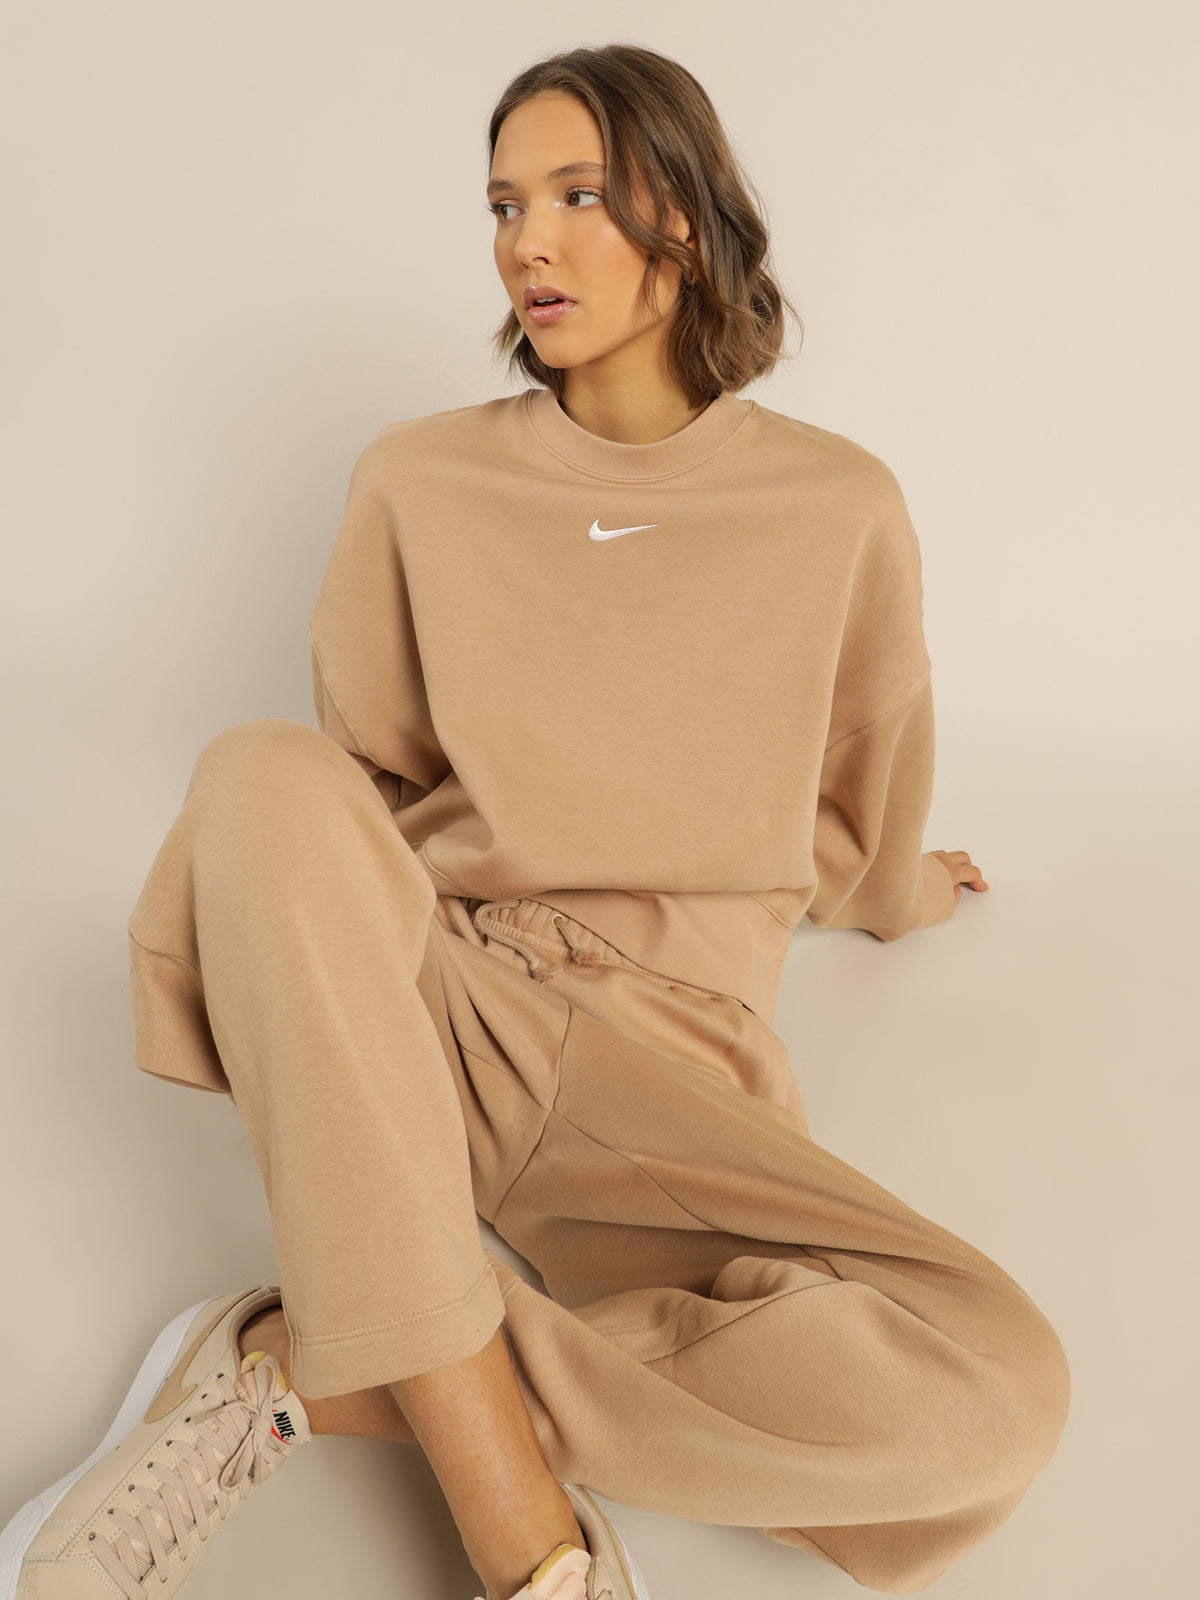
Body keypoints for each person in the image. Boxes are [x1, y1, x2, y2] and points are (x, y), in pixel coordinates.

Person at [0, 41, 1070, 1600]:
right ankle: (525, 1536)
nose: (528, 244)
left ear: (684, 219)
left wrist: (902, 888)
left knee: (996, 1396)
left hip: (675, 1080)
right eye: (505, 205)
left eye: (577, 196)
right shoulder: (418, 481)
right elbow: (351, 798)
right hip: (443, 1011)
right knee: (258, 772)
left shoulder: (839, 509)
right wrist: (336, 954)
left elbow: (852, 808)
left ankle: (300, 1363)